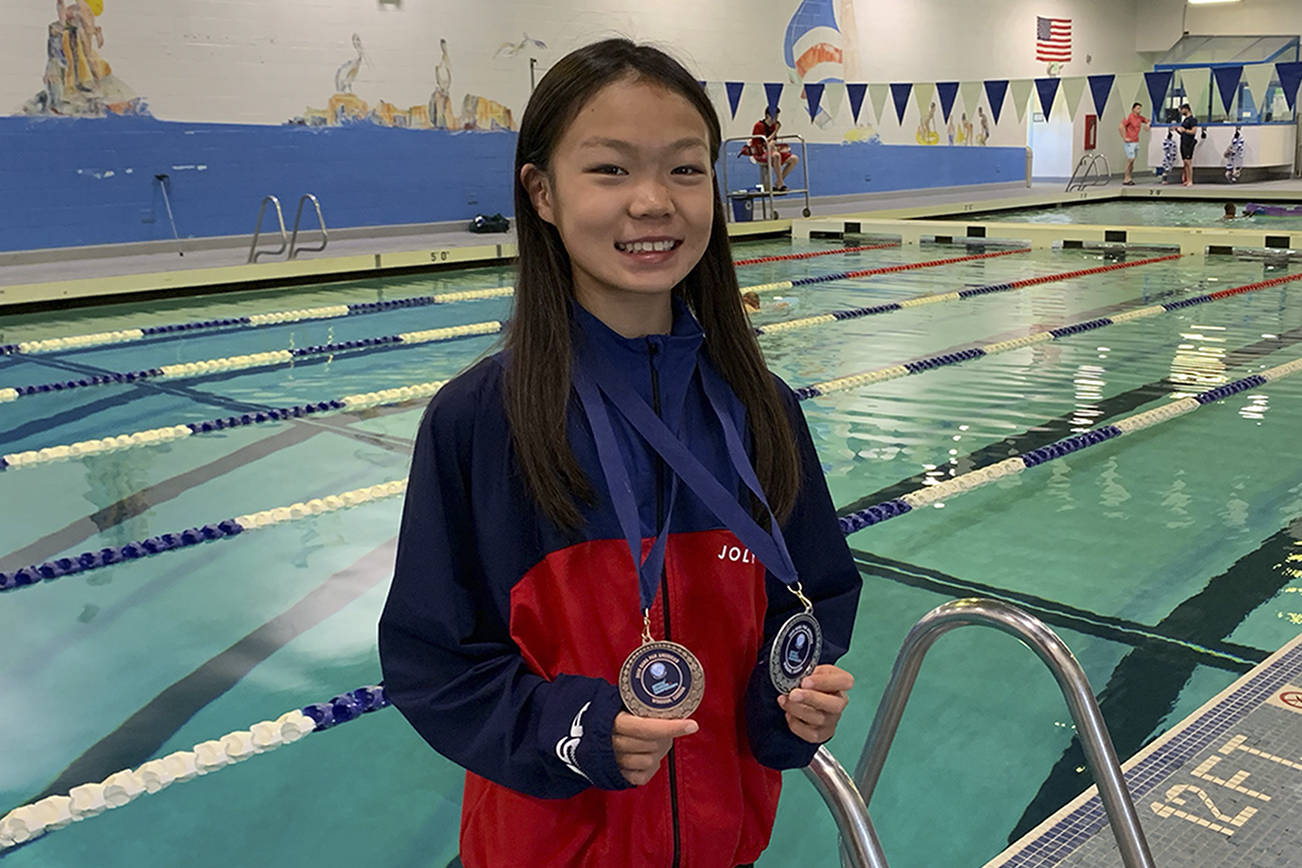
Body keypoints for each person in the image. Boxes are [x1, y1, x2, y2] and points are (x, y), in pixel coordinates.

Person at [379, 38, 862, 868]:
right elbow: (434, 665)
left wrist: (786, 702)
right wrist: (572, 731)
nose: (653, 203)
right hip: (545, 847)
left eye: (684, 169)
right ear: (541, 192)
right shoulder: (480, 423)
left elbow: (815, 597)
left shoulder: (762, 410)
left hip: (725, 842)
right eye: (609, 171)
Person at [749, 105, 798, 191]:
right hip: (759, 152)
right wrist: (776, 131)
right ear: (768, 115)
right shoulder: (759, 126)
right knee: (776, 156)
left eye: (777, 116)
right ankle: (781, 183)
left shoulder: (773, 126)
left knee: (794, 159)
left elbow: (773, 141)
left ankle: (778, 182)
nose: (776, 118)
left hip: (770, 150)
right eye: (775, 116)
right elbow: (763, 142)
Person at [1118, 102, 1148, 185]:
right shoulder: (1129, 117)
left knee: (1133, 160)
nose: (1139, 110)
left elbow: (1147, 120)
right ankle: (1126, 178)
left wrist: (1148, 124)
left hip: (1136, 141)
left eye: (1140, 108)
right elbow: (1121, 126)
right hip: (1129, 142)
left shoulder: (1139, 118)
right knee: (1130, 159)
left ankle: (1129, 177)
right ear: (1133, 109)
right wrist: (1124, 137)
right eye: (1138, 108)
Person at [1177, 103, 1198, 187]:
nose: (1181, 112)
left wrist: (1184, 130)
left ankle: (1190, 180)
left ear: (1186, 109)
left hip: (1189, 143)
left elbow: (1193, 132)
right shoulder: (1185, 120)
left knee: (1188, 162)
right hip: (1183, 141)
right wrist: (1178, 130)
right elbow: (1183, 132)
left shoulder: (1192, 119)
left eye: (1182, 110)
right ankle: (1187, 179)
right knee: (1185, 162)